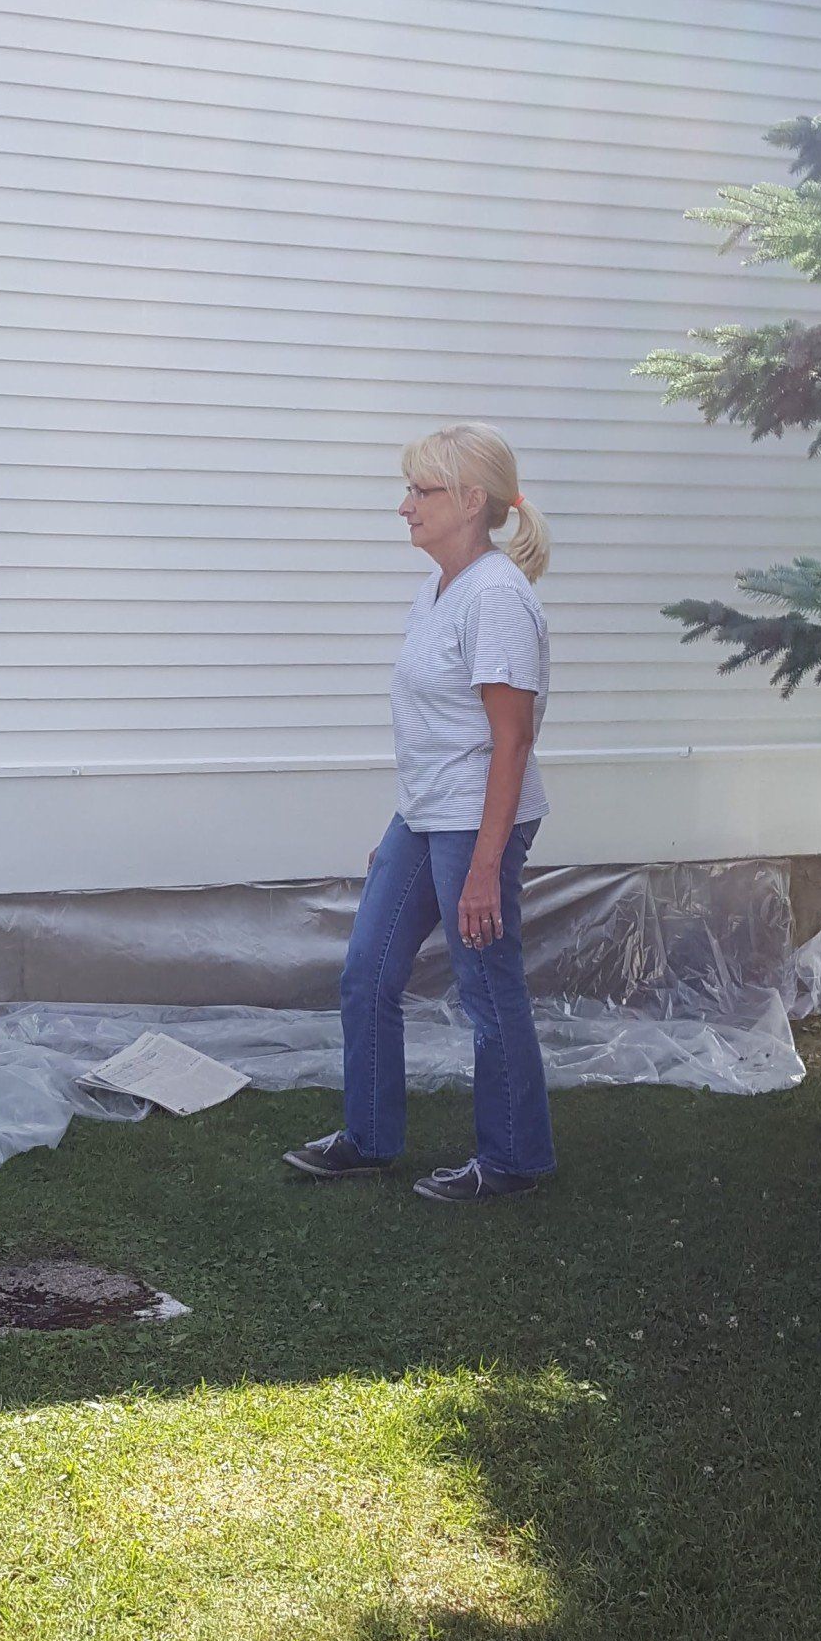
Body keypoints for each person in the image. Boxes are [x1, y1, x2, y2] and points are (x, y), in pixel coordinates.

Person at [284, 423, 558, 1202]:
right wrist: (399, 827)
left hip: (479, 822)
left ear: (472, 502)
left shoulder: (498, 598)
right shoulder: (441, 588)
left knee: (486, 985)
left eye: (420, 490)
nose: (404, 506)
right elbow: (438, 726)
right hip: (427, 815)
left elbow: (511, 743)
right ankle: (370, 1137)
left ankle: (513, 1160)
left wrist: (482, 867)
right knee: (366, 970)